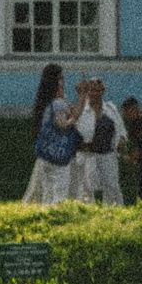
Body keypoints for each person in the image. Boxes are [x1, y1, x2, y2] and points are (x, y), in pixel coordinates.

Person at [22, 64, 80, 206]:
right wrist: (73, 120)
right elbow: (62, 124)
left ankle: (46, 213)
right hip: (59, 153)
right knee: (60, 190)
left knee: (47, 190)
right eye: (61, 78)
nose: (63, 82)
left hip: (46, 152)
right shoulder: (58, 102)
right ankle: (57, 214)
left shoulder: (44, 102)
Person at [69, 78, 123, 205]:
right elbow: (74, 130)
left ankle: (115, 210)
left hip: (107, 153)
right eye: (91, 90)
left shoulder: (110, 109)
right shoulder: (81, 110)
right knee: (87, 187)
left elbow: (120, 129)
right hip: (87, 154)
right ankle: (88, 211)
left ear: (103, 91)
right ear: (87, 91)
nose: (94, 93)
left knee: (112, 185)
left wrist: (122, 140)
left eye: (98, 90)